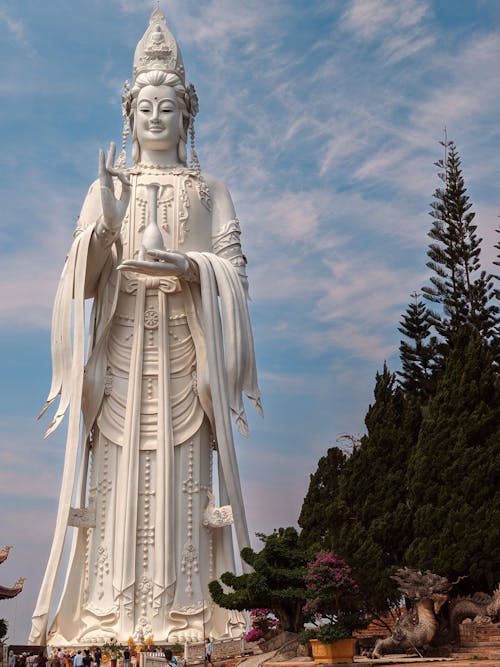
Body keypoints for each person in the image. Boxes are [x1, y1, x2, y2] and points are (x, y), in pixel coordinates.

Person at [30, 6, 261, 648]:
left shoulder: (209, 188)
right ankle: (104, 617)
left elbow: (236, 274)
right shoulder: (106, 183)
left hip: (186, 357)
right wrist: (104, 223)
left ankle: (194, 616)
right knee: (113, 490)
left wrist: (190, 264)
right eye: (145, 107)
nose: (156, 117)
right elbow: (81, 279)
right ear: (128, 114)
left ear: (188, 114)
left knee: (186, 488)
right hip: (122, 358)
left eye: (169, 106)